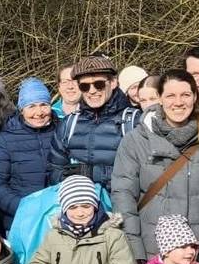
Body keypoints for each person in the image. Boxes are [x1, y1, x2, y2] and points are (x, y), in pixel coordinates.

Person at [112, 69, 199, 264]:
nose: (178, 102)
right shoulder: (135, 141)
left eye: (185, 95)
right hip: (155, 257)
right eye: (170, 95)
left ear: (194, 96)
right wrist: (136, 253)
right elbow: (124, 199)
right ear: (159, 98)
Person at [47, 54, 139, 188]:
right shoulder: (69, 124)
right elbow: (53, 171)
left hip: (119, 206)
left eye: (99, 84)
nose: (92, 91)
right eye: (85, 86)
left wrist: (94, 173)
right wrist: (71, 179)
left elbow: (143, 173)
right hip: (79, 205)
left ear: (113, 82)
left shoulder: (133, 121)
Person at [0, 77, 57, 233]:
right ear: (21, 109)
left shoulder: (62, 133)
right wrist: (24, 207)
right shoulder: (6, 139)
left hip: (59, 218)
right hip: (21, 220)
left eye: (44, 105)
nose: (39, 112)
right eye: (31, 106)